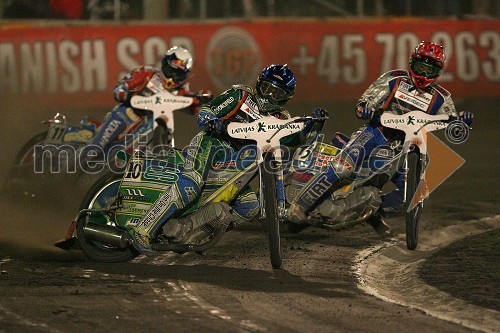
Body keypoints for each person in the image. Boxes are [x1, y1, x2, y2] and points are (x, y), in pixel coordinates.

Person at [128, 64, 328, 254]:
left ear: (286, 98)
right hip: (213, 143)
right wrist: (211, 121)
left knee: (249, 207)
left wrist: (313, 125)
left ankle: (190, 230)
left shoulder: (282, 117)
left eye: (276, 94)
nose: (268, 96)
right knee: (191, 184)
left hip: (239, 162)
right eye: (266, 88)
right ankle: (143, 229)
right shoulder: (240, 95)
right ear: (259, 83)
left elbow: (294, 139)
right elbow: (207, 111)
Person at [287, 41, 474, 235]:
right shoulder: (394, 78)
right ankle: (300, 206)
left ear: (438, 71)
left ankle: (370, 211)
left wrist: (463, 121)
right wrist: (365, 108)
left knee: (414, 196)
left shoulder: (442, 97)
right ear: (412, 62)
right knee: (342, 167)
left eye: (430, 70)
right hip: (375, 134)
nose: (424, 75)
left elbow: (452, 120)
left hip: (408, 147)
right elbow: (368, 98)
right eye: (421, 68)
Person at [87, 46, 206, 155]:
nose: (174, 75)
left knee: (127, 156)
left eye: (179, 72)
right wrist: (127, 96)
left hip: (147, 126)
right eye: (174, 69)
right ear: (166, 63)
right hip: (125, 114)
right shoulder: (148, 72)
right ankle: (73, 166)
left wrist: (202, 99)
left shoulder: (181, 90)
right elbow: (120, 88)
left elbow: (194, 107)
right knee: (96, 148)